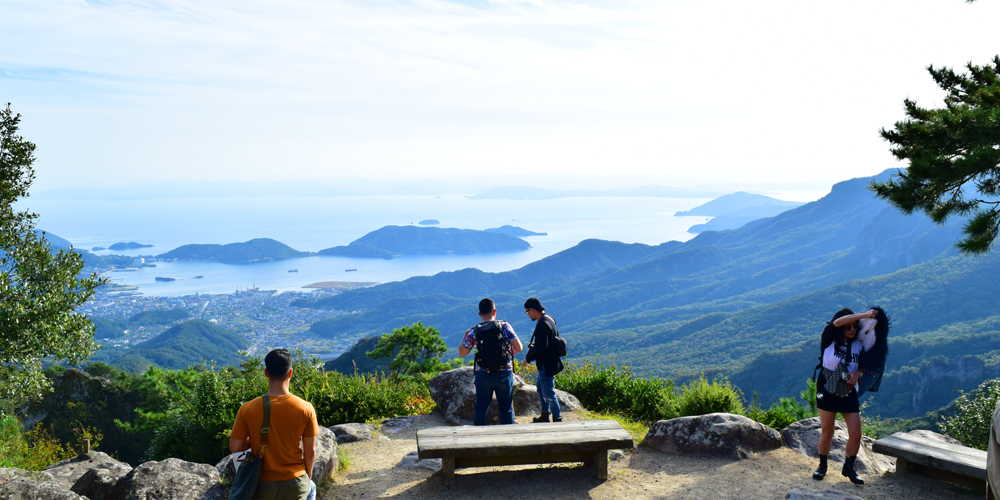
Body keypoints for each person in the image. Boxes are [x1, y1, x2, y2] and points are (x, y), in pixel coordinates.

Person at [230, 349, 320, 500]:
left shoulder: (248, 408)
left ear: (266, 373)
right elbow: (310, 451)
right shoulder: (306, 408)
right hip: (295, 482)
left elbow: (235, 447)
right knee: (311, 488)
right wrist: (307, 477)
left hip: (260, 484)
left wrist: (257, 439)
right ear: (290, 373)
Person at [812, 308, 878, 486]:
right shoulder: (829, 339)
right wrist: (864, 315)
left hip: (848, 390)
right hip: (827, 387)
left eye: (856, 327)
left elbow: (866, 366)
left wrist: (858, 372)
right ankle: (822, 466)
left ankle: (848, 467)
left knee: (856, 434)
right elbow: (837, 323)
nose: (853, 330)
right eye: (848, 327)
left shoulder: (859, 345)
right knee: (828, 432)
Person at [458, 298, 523, 425]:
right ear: (495, 311)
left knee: (481, 410)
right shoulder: (504, 326)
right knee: (506, 410)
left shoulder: (475, 331)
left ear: (479, 314)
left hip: (483, 374)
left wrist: (465, 336)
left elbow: (462, 353)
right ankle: (508, 441)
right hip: (504, 372)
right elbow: (519, 348)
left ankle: (480, 442)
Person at [522, 297, 564, 423]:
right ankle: (545, 414)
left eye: (527, 312)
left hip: (546, 363)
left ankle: (557, 417)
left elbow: (541, 348)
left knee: (548, 392)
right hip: (550, 361)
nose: (528, 314)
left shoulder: (542, 324)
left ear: (533, 310)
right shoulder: (549, 319)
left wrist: (528, 359)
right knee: (541, 389)